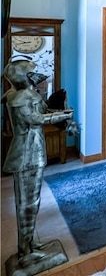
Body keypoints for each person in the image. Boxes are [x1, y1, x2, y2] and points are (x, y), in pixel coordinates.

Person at [3, 60, 71, 268]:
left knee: (29, 201)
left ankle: (29, 245)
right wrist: (65, 115)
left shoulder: (13, 94)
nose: (37, 75)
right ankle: (26, 251)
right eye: (32, 72)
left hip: (28, 149)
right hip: (28, 152)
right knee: (28, 202)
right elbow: (36, 119)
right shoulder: (24, 97)